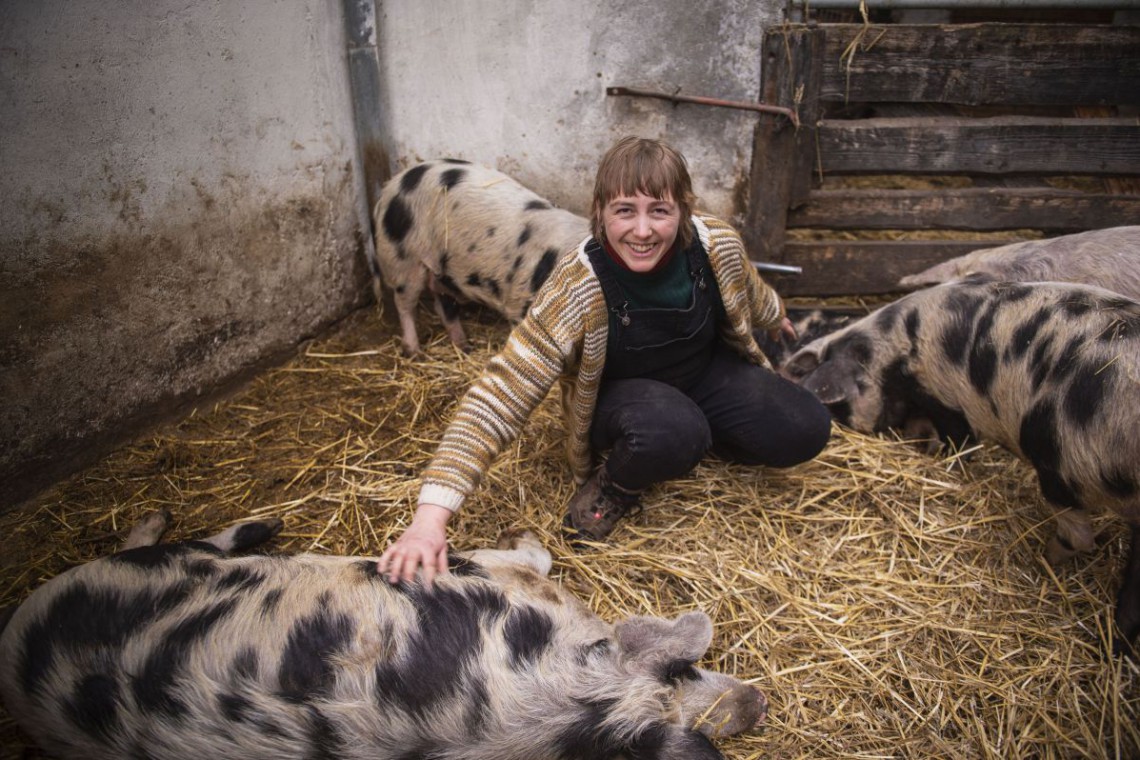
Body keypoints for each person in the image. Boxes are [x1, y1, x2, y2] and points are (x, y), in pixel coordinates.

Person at [378, 136, 831, 585]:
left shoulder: (715, 245)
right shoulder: (577, 285)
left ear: (684, 210)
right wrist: (431, 516)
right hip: (623, 400)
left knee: (805, 425)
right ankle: (615, 485)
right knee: (673, 429)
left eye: (659, 210)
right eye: (624, 211)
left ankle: (702, 436)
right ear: (599, 212)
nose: (641, 230)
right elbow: (502, 394)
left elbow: (747, 286)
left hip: (702, 372)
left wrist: (775, 315)